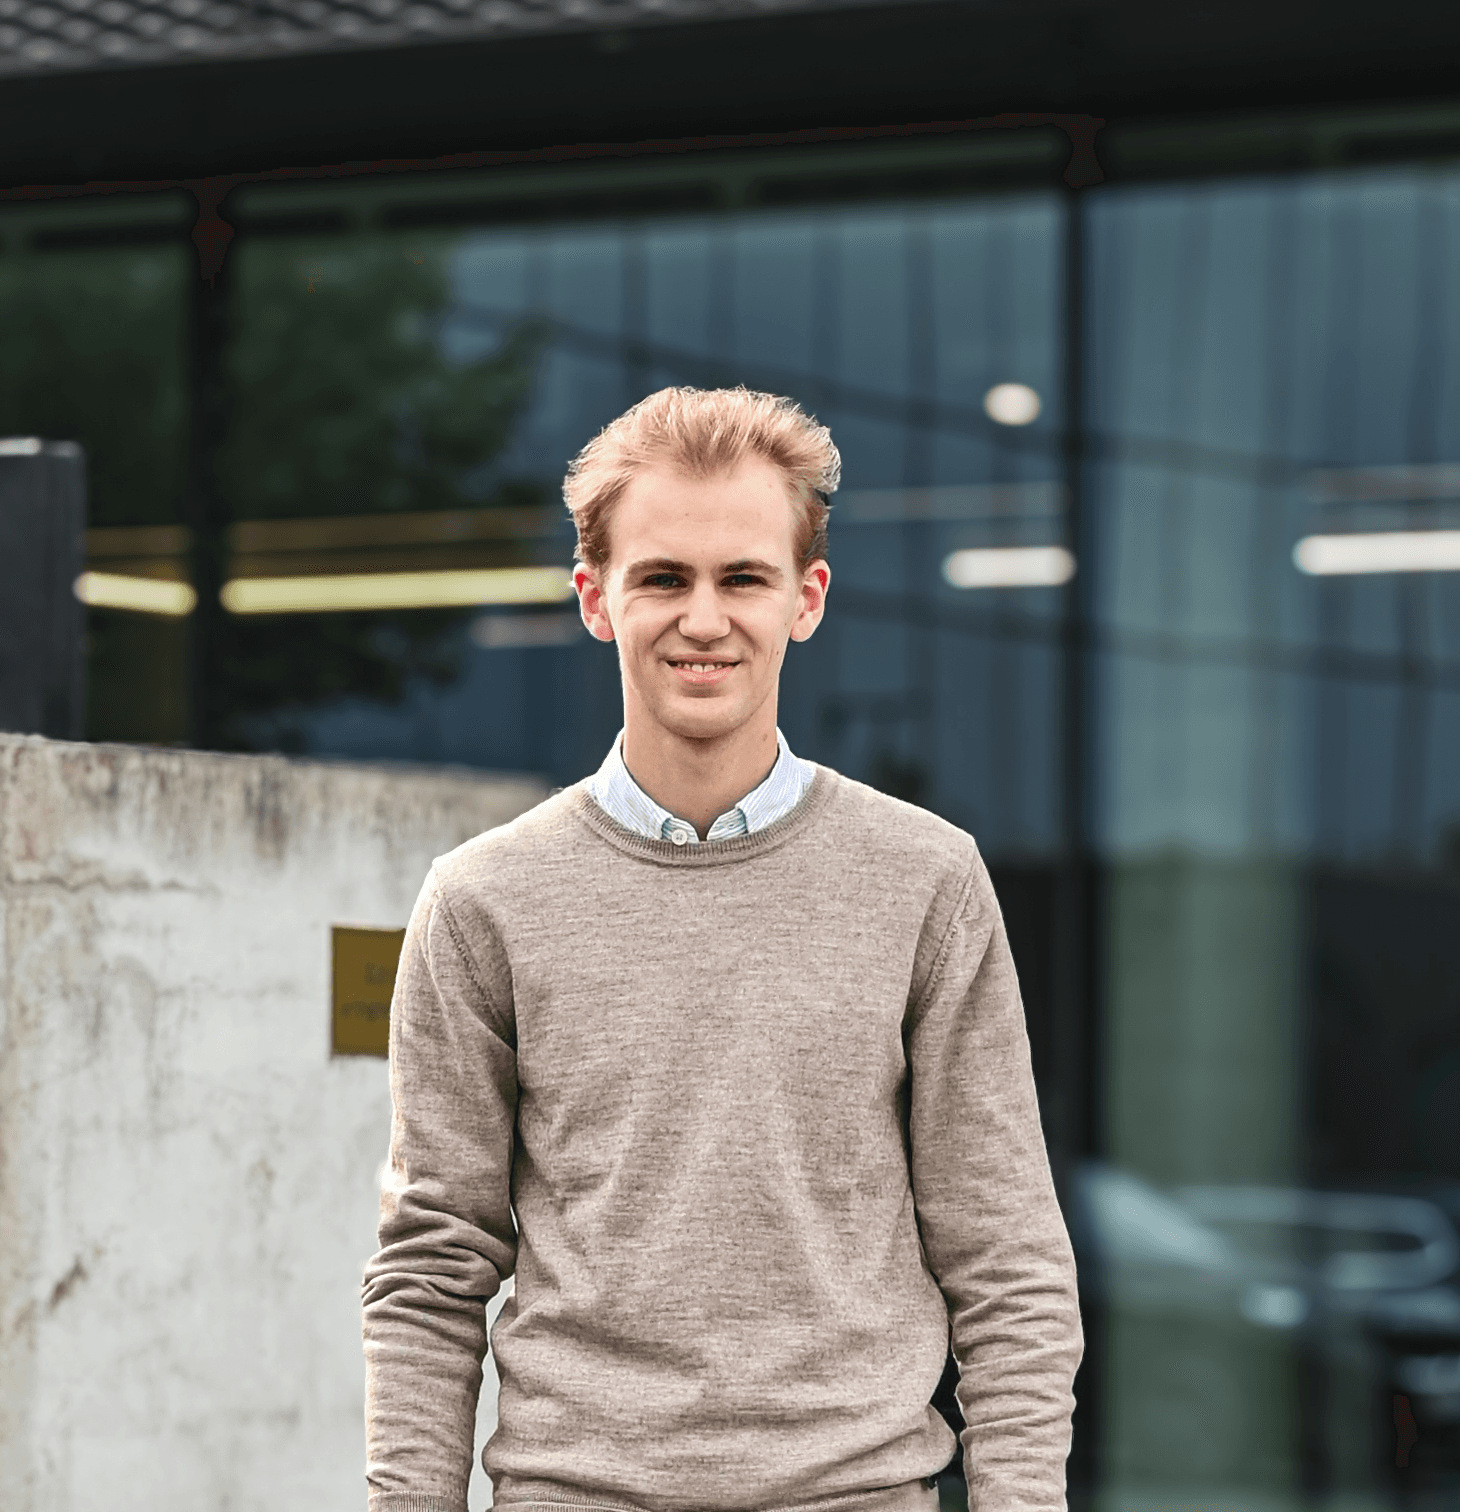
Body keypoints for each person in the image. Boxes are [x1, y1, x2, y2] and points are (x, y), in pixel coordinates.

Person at [361, 386, 1084, 1512]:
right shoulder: (481, 901)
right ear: (597, 599)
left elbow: (1007, 1261)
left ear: (807, 597)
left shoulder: (927, 881)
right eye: (664, 578)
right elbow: (430, 1268)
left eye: (742, 577)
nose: (705, 618)